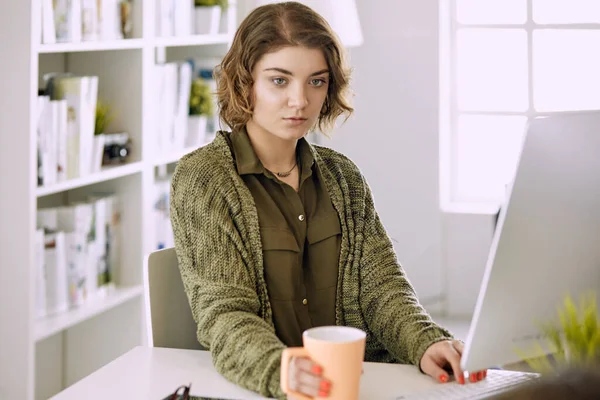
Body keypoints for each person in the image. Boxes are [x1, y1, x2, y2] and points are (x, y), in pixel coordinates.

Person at [170, 2, 486, 399]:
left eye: (316, 81)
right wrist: (278, 368)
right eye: (279, 81)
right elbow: (224, 313)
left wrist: (425, 342)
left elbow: (382, 287)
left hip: (356, 386)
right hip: (263, 389)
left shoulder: (343, 176)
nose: (300, 101)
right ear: (245, 81)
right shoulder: (204, 179)